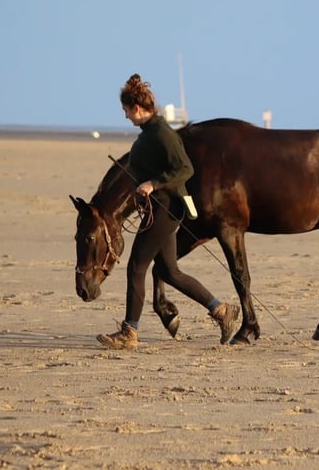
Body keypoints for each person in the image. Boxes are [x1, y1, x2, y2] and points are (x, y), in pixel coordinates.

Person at [96, 74, 239, 350]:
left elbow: (185, 169)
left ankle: (129, 333)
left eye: (126, 110)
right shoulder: (150, 132)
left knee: (137, 266)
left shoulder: (162, 132)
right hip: (158, 208)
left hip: (165, 208)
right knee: (169, 270)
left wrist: (153, 183)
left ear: (137, 108)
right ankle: (222, 310)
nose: (125, 116)